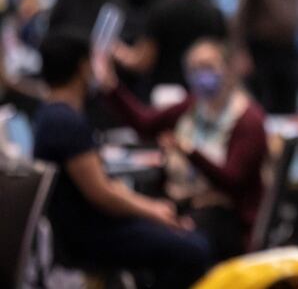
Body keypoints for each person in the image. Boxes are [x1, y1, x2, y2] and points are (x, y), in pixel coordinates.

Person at [33, 31, 209, 288]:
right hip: (89, 235)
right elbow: (101, 193)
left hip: (88, 228)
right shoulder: (65, 122)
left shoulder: (51, 115)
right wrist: (151, 211)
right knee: (194, 249)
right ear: (83, 67)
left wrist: (152, 209)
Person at [97, 38, 267, 260]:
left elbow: (232, 180)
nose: (201, 75)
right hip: (182, 202)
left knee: (177, 247)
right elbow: (145, 123)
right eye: (195, 69)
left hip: (226, 214)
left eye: (208, 67)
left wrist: (189, 152)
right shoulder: (192, 106)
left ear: (226, 68)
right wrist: (112, 86)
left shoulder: (248, 119)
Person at [114, 0, 227, 93]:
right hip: (205, 95)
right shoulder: (214, 12)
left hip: (166, 97)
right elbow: (225, 58)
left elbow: (143, 62)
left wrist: (118, 52)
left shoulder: (159, 12)